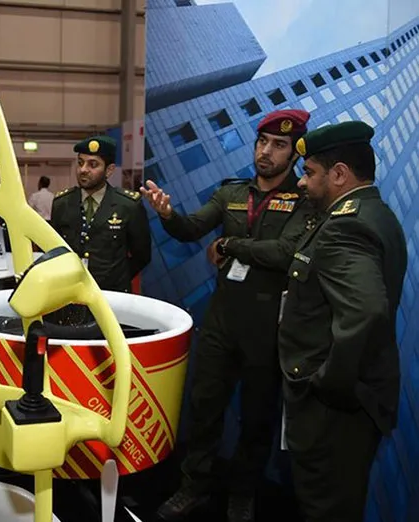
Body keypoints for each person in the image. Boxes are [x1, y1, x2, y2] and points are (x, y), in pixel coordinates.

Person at [142, 109, 318, 522]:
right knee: (204, 408)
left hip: (268, 328)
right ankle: (194, 486)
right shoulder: (231, 193)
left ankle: (243, 493)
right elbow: (191, 228)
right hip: (222, 322)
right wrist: (167, 214)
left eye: (279, 145)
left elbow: (284, 253)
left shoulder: (304, 200)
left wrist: (229, 245)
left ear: (294, 154)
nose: (266, 151)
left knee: (256, 418)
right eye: (262, 142)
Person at [279, 121, 407, 522]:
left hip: (335, 412)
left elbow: (366, 312)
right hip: (353, 404)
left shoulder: (345, 226)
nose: (301, 182)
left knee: (324, 508)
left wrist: (327, 383)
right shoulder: (375, 213)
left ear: (338, 174)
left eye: (309, 172)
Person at [50, 135, 151, 293]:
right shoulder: (62, 203)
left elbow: (142, 255)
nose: (83, 170)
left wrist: (117, 278)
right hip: (70, 293)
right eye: (80, 163)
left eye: (93, 164)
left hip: (111, 295)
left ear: (109, 170)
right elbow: (53, 250)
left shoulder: (128, 205)